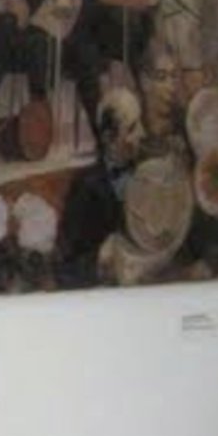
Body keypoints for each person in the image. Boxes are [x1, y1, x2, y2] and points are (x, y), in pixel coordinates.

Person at [54, 86, 145, 287]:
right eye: (132, 128)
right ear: (108, 138)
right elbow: (65, 270)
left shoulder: (149, 172)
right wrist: (99, 261)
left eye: (141, 123)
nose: (142, 133)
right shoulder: (85, 188)